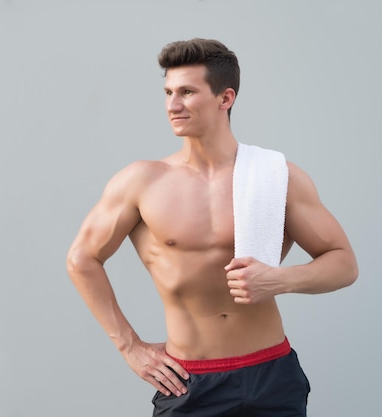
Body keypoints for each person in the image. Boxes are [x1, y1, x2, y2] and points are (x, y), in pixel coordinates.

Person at [65, 38, 358, 417]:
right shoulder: (142, 181)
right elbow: (81, 258)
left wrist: (280, 280)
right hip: (189, 380)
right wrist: (130, 347)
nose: (172, 105)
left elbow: (344, 263)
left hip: (272, 373)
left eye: (187, 92)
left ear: (225, 98)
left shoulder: (276, 176)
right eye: (168, 92)